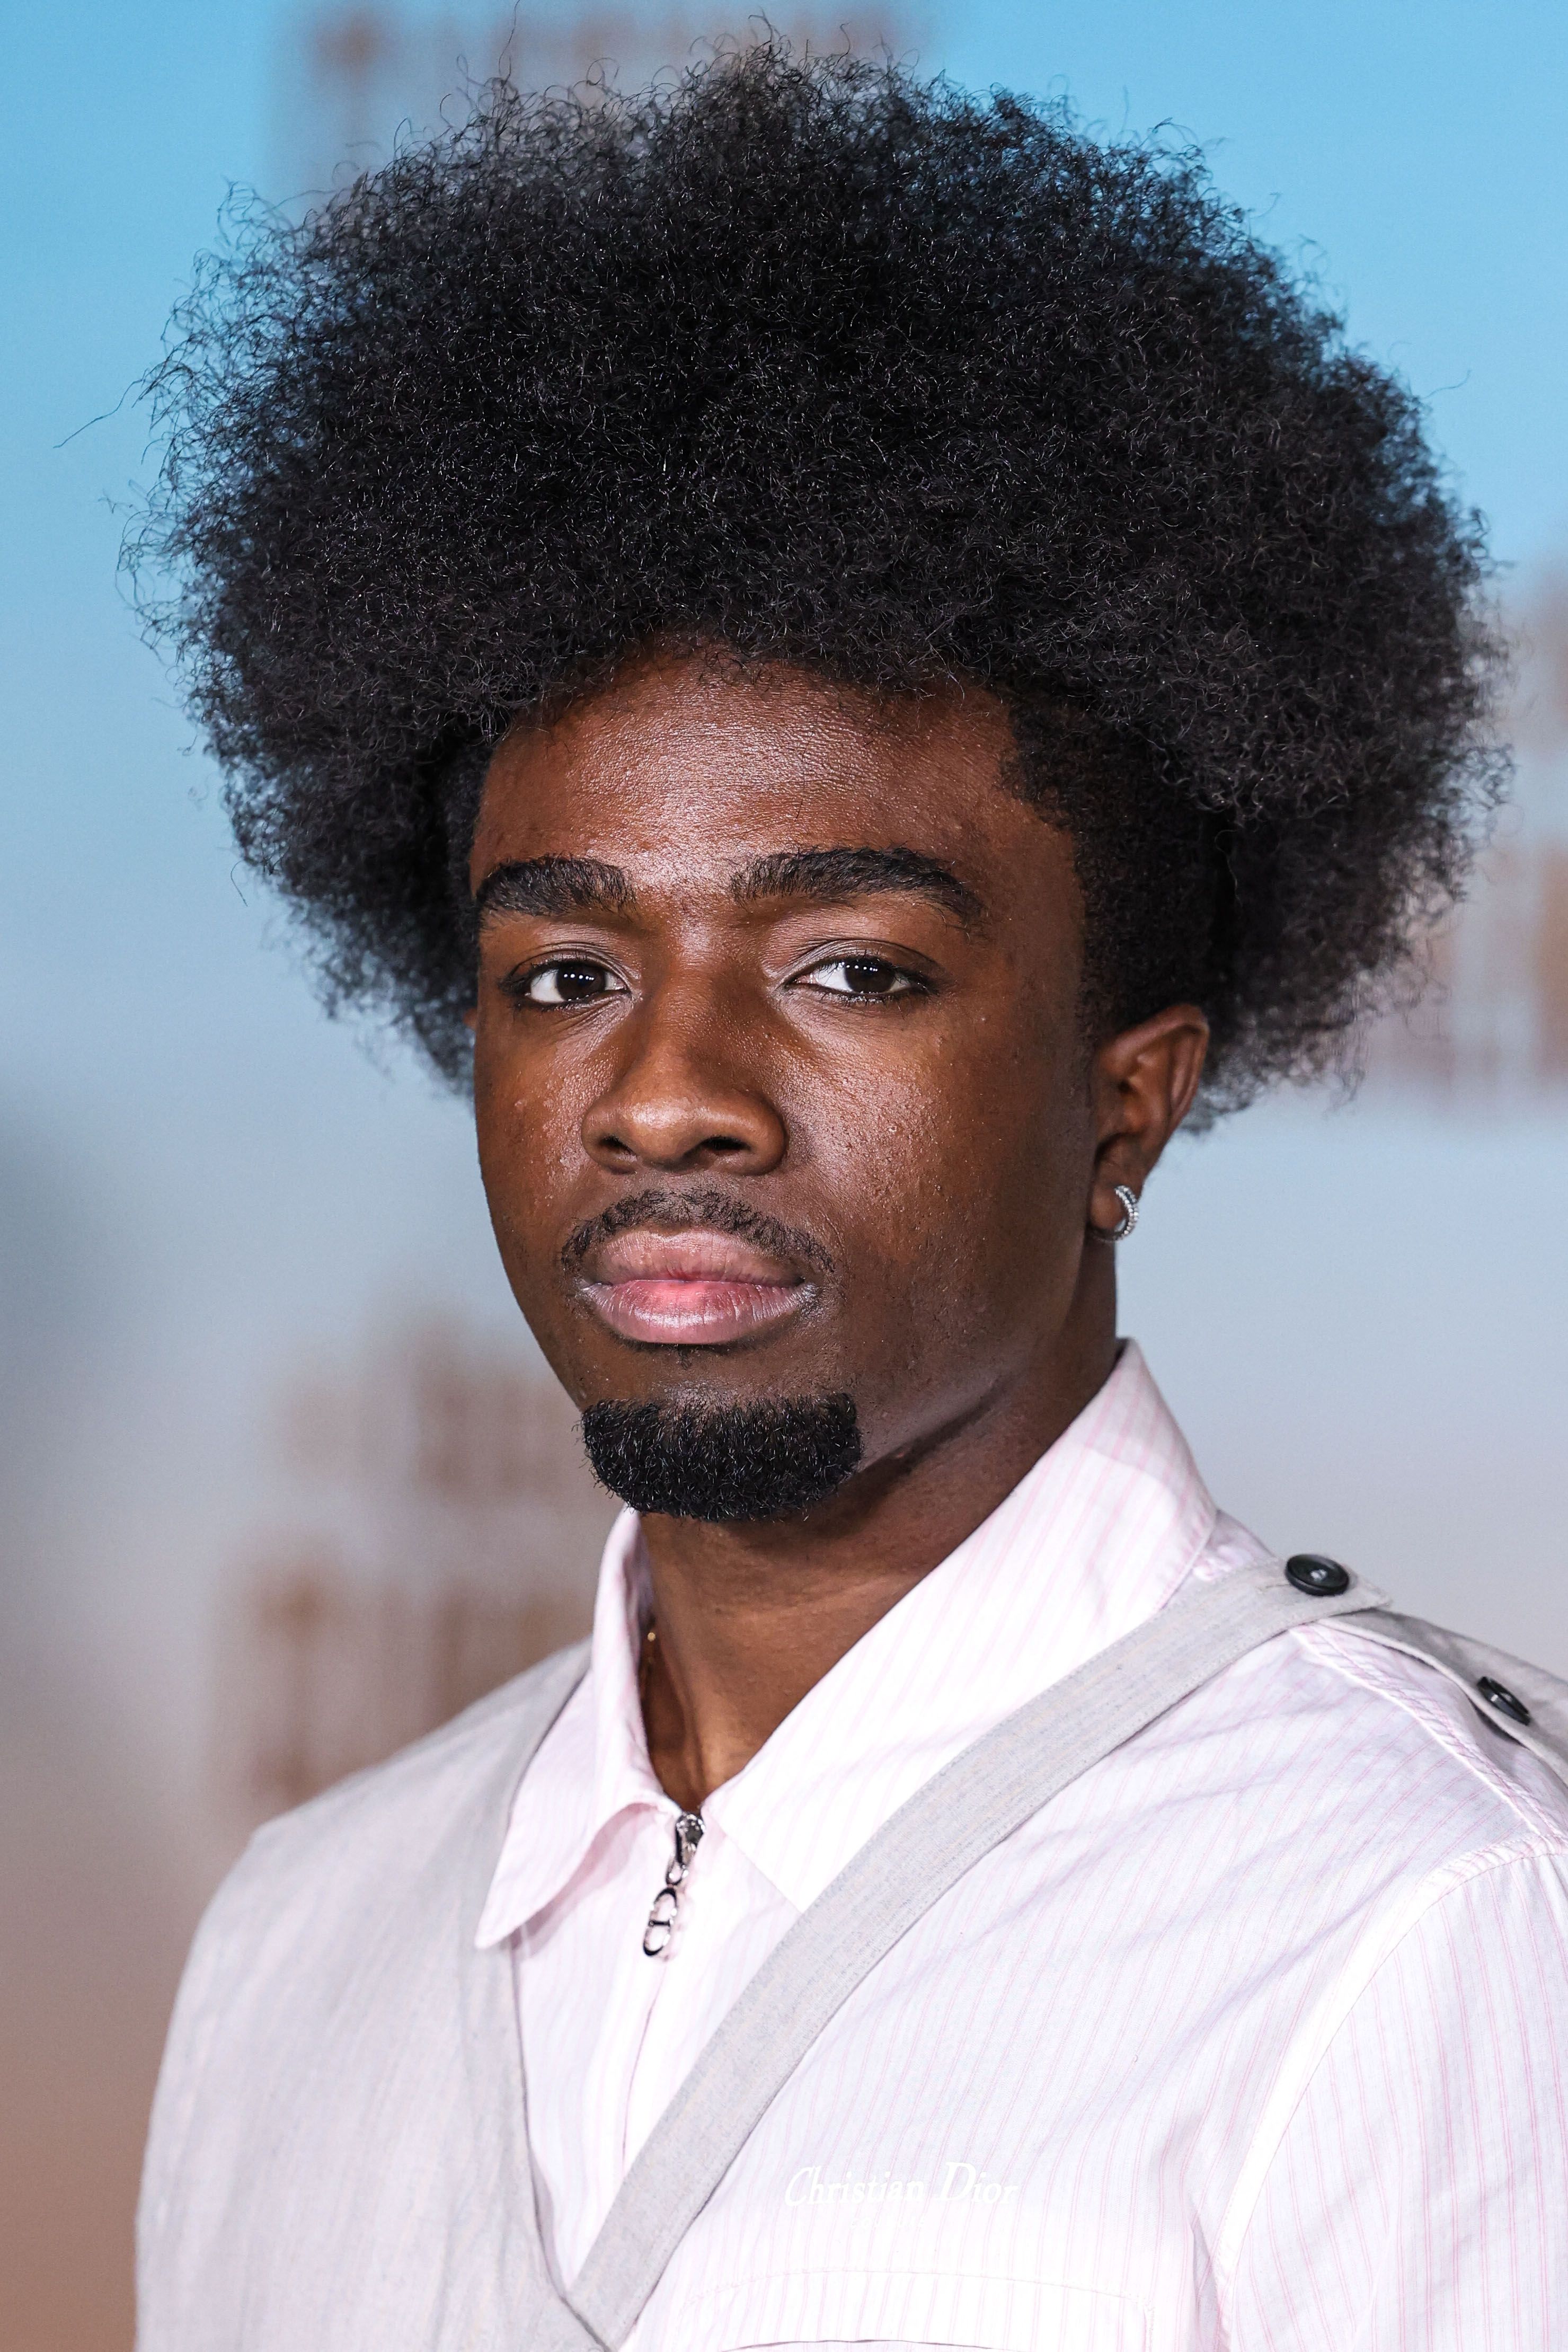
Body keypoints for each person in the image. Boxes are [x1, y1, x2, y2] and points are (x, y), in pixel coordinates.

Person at [132, 46, 1568, 2352]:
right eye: (566, 969)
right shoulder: (307, 1926)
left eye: (847, 968)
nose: (666, 1094)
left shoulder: (1434, 1917)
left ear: (1128, 1101)